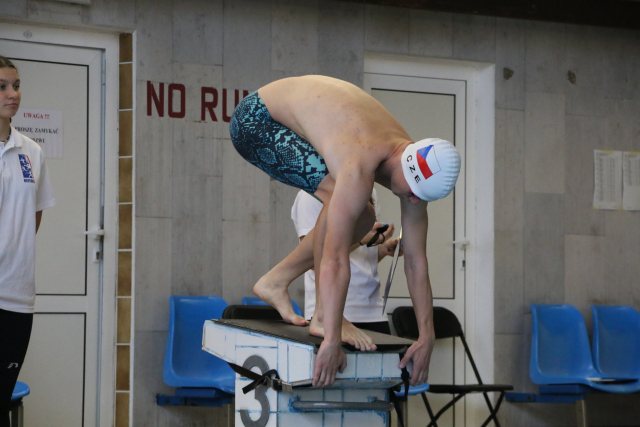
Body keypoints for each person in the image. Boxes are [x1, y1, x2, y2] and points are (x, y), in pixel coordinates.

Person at [230, 75, 460, 388]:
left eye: (422, 197)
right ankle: (319, 312)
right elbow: (335, 259)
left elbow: (416, 261)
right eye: (414, 193)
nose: (415, 202)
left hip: (299, 116)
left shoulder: (415, 171)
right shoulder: (359, 162)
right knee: (356, 210)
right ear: (408, 169)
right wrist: (332, 339)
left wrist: (426, 336)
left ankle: (276, 281)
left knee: (360, 213)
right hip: (256, 121)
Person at [0, 56, 56, 427]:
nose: (13, 94)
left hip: (16, 294)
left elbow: (33, 215)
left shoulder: (31, 151)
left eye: (16, 86)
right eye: (2, 87)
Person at [292, 189, 399, 335]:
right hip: (334, 309)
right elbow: (311, 261)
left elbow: (363, 261)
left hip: (374, 310)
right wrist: (361, 239)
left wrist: (383, 249)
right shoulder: (312, 194)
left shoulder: (370, 191)